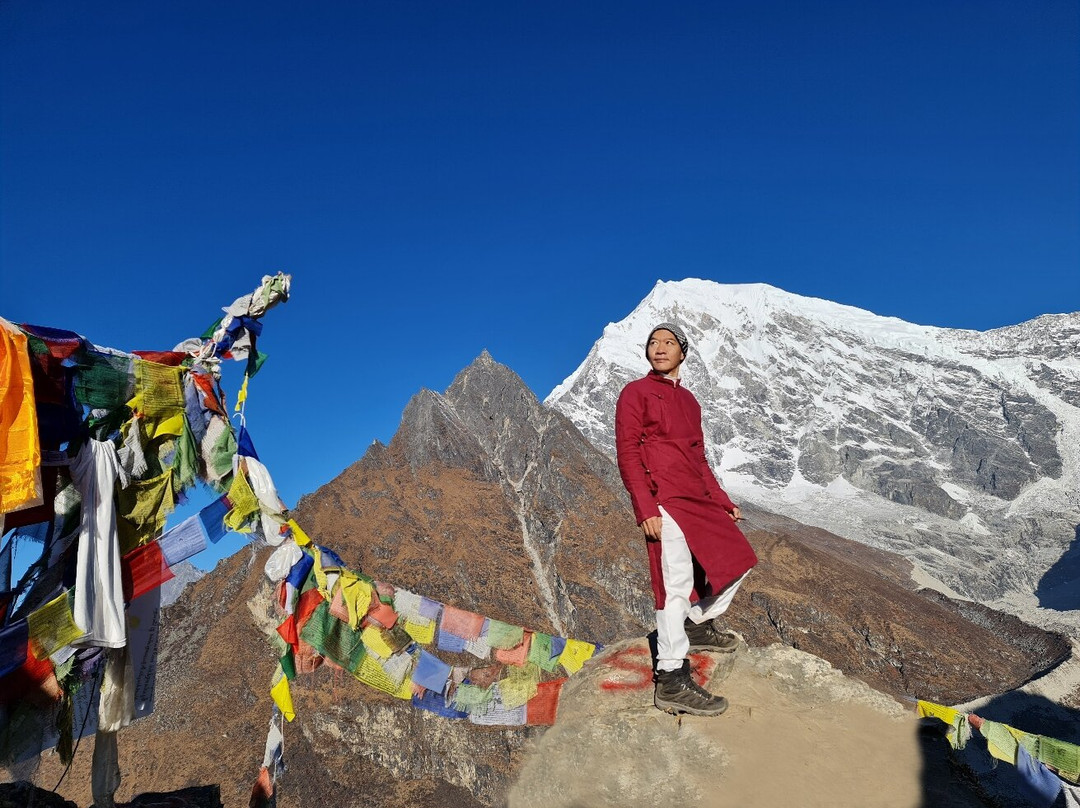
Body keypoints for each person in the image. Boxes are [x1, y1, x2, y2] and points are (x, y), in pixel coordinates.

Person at [615, 322, 758, 716]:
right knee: (674, 584)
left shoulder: (691, 402)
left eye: (668, 342)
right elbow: (628, 453)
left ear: (683, 352)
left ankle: (696, 622)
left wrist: (722, 501)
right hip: (662, 500)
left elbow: (698, 459)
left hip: (695, 496)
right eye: (652, 342)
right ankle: (672, 678)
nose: (659, 347)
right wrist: (644, 507)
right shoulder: (635, 393)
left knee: (740, 559)